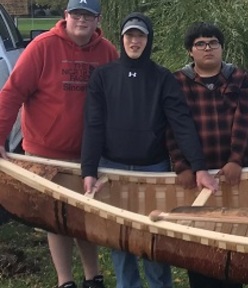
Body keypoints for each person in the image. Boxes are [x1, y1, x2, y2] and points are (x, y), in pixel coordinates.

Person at [80, 13, 218, 288]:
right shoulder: (103, 77)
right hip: (112, 170)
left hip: (153, 170)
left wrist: (199, 166)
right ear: (122, 39)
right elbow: (93, 125)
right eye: (130, 35)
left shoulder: (163, 78)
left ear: (148, 39)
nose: (135, 41)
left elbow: (181, 123)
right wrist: (89, 170)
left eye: (140, 36)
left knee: (155, 240)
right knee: (120, 242)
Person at [0, 0, 117, 287]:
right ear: (66, 16)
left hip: (88, 154)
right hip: (44, 154)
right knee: (55, 219)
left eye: (88, 15)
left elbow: (118, 99)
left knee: (84, 216)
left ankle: (94, 276)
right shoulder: (42, 47)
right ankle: (65, 280)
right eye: (76, 13)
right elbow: (12, 93)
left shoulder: (107, 52)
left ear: (97, 19)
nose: (81, 20)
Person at [168, 22, 248, 288]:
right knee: (199, 244)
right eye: (201, 44)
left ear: (221, 48)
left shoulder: (241, 79)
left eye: (213, 43)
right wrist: (182, 165)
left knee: (233, 238)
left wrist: (235, 159)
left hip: (233, 174)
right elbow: (171, 126)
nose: (208, 48)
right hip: (196, 175)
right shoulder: (176, 82)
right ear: (190, 51)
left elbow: (245, 121)